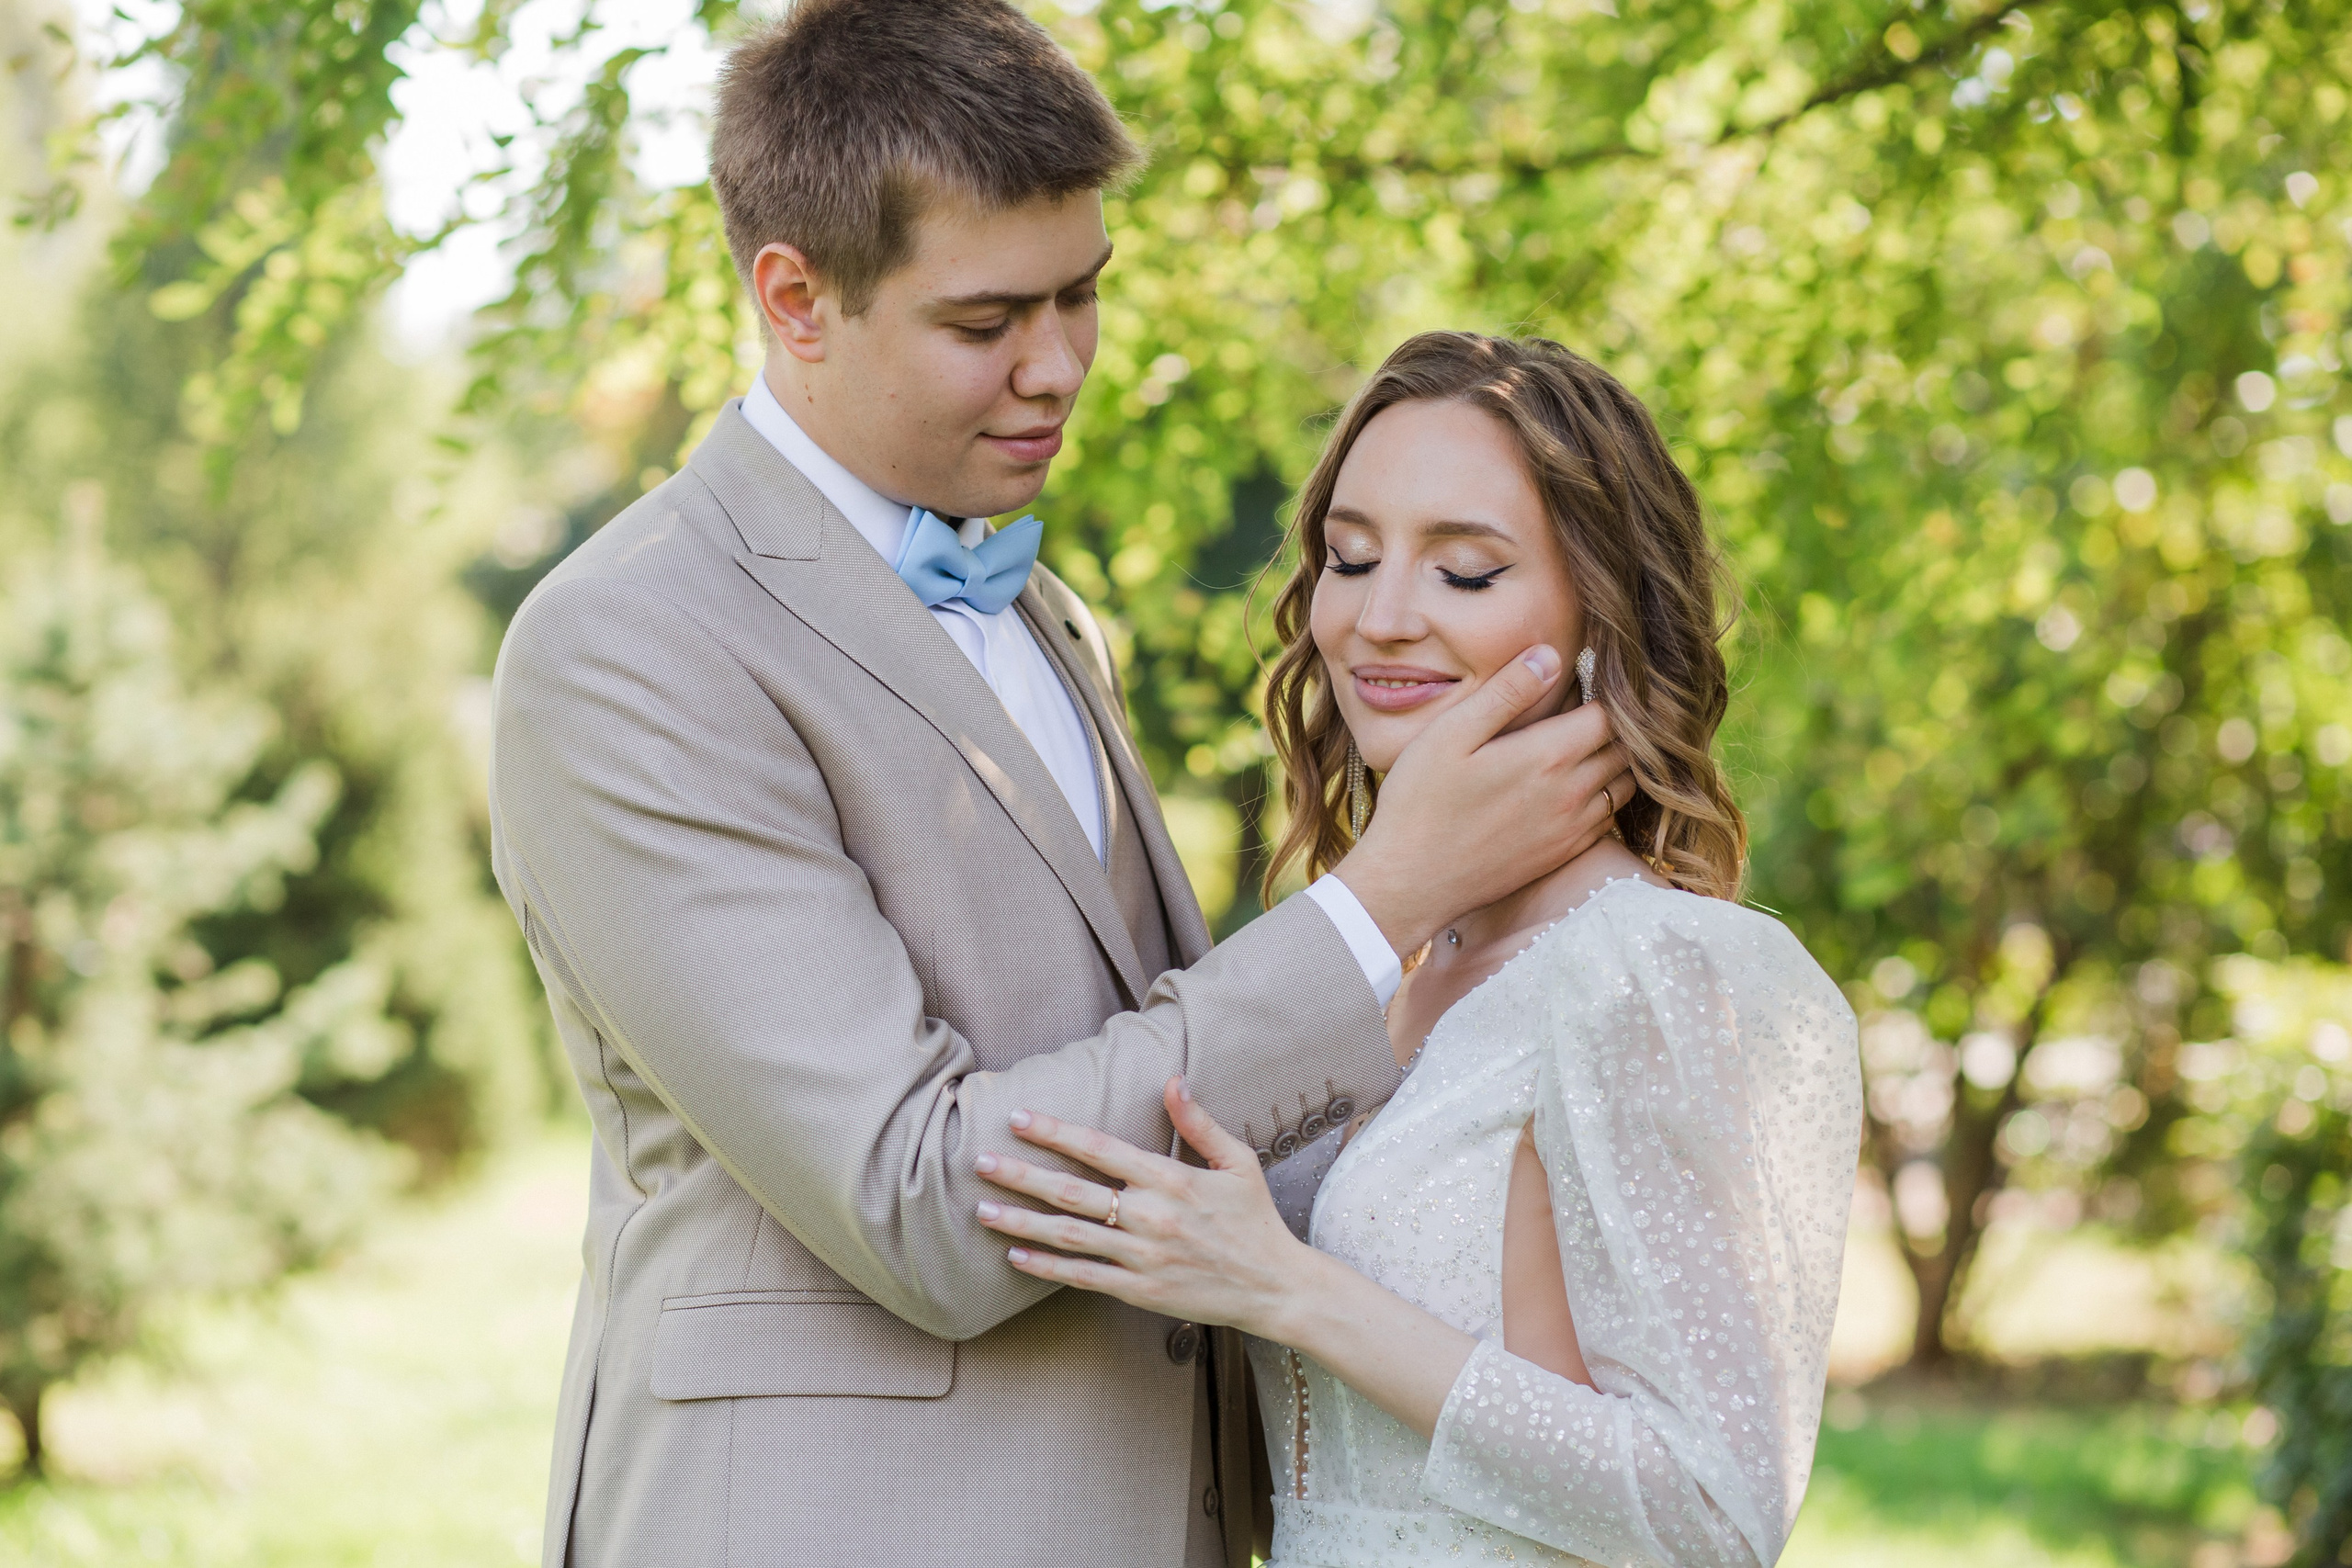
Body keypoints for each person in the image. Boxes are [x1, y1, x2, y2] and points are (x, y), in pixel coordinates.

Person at [486, 6, 1634, 1564]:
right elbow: (920, 1200)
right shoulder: (632, 645)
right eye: (986, 322)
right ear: (795, 298)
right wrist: (1386, 900)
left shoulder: (1040, 606)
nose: (1058, 369)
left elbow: (1157, 1075)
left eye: (1082, 295)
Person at [977, 332, 1865, 1567]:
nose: (1380, 620)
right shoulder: (1374, 970)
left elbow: (1709, 1514)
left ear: (1602, 613)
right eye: (1350, 558)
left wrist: (1289, 1288)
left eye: (1466, 573)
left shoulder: (1661, 974)